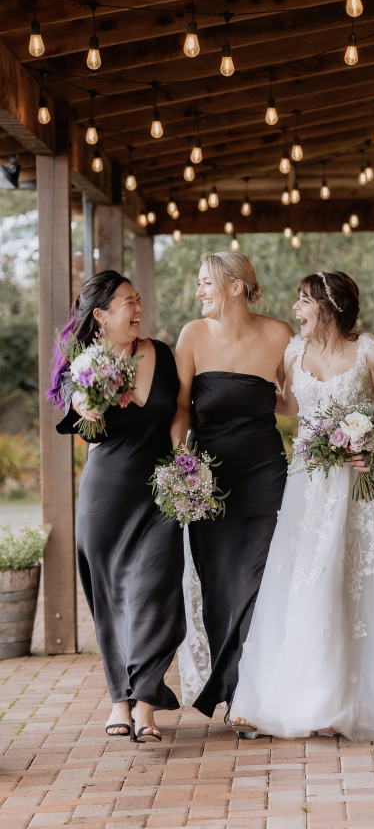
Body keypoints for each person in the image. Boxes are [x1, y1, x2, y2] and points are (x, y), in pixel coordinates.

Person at [228, 271, 374, 741]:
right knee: (304, 581)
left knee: (353, 582)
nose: (296, 310)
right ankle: (297, 695)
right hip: (307, 484)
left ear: (328, 307)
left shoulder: (369, 350)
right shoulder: (292, 352)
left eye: (303, 302)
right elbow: (287, 405)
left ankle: (345, 702)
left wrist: (371, 444)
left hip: (357, 483)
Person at [50, 270, 184, 743]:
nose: (138, 308)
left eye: (138, 298)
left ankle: (146, 705)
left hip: (161, 492)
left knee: (157, 592)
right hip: (107, 495)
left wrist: (182, 463)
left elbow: (179, 411)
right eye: (128, 301)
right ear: (102, 315)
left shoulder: (162, 354)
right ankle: (119, 702)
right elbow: (76, 414)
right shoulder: (84, 364)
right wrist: (84, 402)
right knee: (109, 602)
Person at [172, 252, 293, 720]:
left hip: (264, 474)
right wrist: (181, 461)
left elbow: (289, 404)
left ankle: (251, 695)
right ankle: (232, 686)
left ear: (237, 286)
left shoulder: (281, 334)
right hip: (209, 479)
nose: (199, 291)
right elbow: (182, 408)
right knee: (219, 582)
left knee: (258, 580)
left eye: (206, 282)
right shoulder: (193, 335)